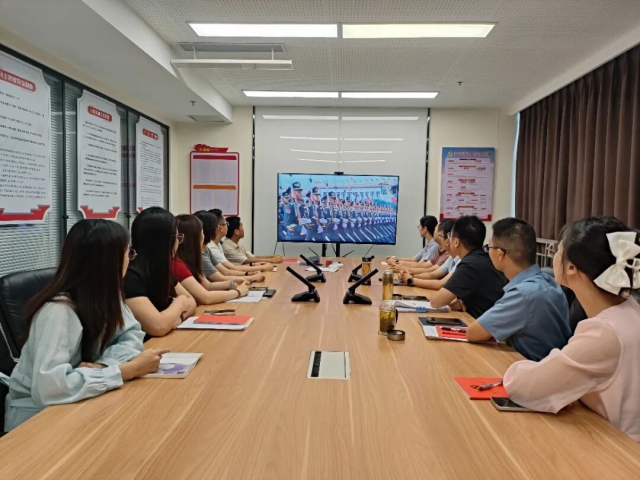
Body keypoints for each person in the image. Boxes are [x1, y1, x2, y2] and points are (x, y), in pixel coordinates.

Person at [2, 220, 167, 432]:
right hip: (37, 420)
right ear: (110, 262)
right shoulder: (58, 311)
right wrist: (125, 370)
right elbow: (49, 388)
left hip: (81, 401)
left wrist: (104, 366)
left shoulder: (107, 296)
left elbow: (131, 337)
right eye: (128, 253)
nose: (130, 259)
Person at [504, 217, 640, 442]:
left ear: (571, 267)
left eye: (557, 250)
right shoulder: (631, 310)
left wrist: (518, 368)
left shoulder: (604, 332)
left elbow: (525, 387)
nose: (554, 256)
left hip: (618, 450)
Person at [465, 218, 571, 360]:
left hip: (530, 366)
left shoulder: (523, 294)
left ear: (500, 254)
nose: (487, 252)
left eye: (489, 247)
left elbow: (473, 333)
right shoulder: (549, 281)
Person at [124, 207, 197, 337]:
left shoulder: (161, 269)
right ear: (164, 241)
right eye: (177, 237)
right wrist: (180, 302)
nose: (178, 243)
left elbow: (192, 302)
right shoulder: (130, 276)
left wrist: (178, 318)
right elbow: (158, 326)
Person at [429, 215, 507, 318]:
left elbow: (436, 302)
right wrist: (460, 300)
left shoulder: (470, 265)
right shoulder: (481, 258)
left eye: (449, 235)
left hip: (487, 323)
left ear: (456, 242)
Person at [174, 214, 249, 304]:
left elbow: (208, 286)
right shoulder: (178, 265)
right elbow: (206, 297)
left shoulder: (191, 260)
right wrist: (238, 292)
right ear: (194, 238)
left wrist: (232, 283)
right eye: (202, 233)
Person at [194, 211, 265, 284]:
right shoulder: (208, 249)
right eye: (226, 224)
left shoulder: (208, 249)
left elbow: (226, 271)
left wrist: (248, 274)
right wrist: (251, 277)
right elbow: (221, 277)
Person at [208, 211, 273, 273]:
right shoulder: (218, 247)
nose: (227, 227)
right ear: (220, 228)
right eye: (226, 224)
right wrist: (263, 267)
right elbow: (230, 270)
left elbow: (234, 267)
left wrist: (254, 265)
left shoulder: (218, 244)